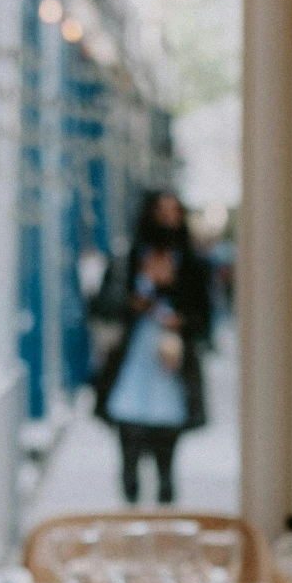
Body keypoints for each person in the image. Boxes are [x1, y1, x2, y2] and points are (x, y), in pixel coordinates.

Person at [92, 191, 212, 505]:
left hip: (171, 366)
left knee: (166, 451)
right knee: (129, 444)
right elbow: (103, 306)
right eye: (162, 211)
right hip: (133, 362)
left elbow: (205, 318)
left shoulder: (191, 265)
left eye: (174, 212)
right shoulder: (128, 260)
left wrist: (180, 321)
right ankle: (131, 509)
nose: (168, 219)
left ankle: (164, 507)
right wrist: (135, 299)